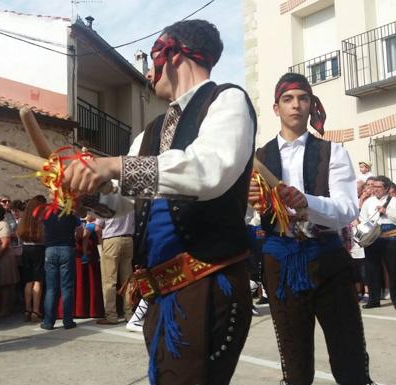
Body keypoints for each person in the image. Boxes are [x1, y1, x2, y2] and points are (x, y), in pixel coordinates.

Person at [59, 20, 256, 385]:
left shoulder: (227, 100)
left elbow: (208, 171)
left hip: (208, 284)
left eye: (153, 61)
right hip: (159, 294)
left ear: (172, 54)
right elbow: (122, 205)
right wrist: (86, 189)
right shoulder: (149, 132)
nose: (150, 74)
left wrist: (113, 164)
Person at [248, 72, 373, 385]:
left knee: (350, 357)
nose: (296, 106)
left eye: (303, 98)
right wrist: (248, 201)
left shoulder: (333, 152)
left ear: (311, 104)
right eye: (288, 100)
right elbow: (247, 217)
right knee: (295, 362)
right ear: (276, 108)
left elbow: (347, 210)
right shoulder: (258, 158)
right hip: (281, 265)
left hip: (329, 261)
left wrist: (307, 203)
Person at [360, 175, 396, 310]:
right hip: (372, 237)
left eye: (377, 187)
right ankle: (374, 300)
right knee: (372, 269)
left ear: (386, 188)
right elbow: (363, 218)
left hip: (390, 238)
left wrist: (386, 211)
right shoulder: (368, 202)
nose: (374, 189)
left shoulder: (395, 201)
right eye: (372, 186)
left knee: (394, 269)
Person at [94, 212, 134, 325]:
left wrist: (101, 242)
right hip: (128, 239)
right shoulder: (130, 201)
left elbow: (97, 228)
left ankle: (111, 315)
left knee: (109, 280)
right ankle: (129, 313)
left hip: (111, 239)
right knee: (128, 280)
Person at [17, 195, 46, 322]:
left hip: (26, 249)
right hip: (39, 249)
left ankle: (27, 310)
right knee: (38, 280)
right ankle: (36, 310)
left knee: (28, 281)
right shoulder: (42, 218)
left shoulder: (24, 219)